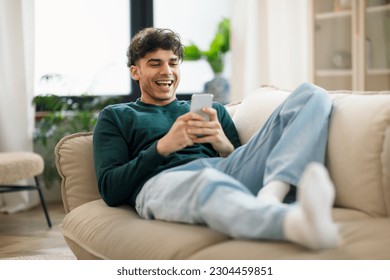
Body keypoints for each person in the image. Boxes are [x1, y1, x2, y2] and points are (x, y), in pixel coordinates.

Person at [93, 27, 340, 250]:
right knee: (207, 180)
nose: (166, 71)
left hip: (223, 168)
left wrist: (224, 145)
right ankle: (291, 222)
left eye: (173, 63)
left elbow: (244, 164)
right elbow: (110, 189)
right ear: (135, 71)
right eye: (155, 63)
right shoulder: (117, 116)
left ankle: (273, 194)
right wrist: (162, 147)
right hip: (161, 182)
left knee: (312, 95)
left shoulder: (214, 111)